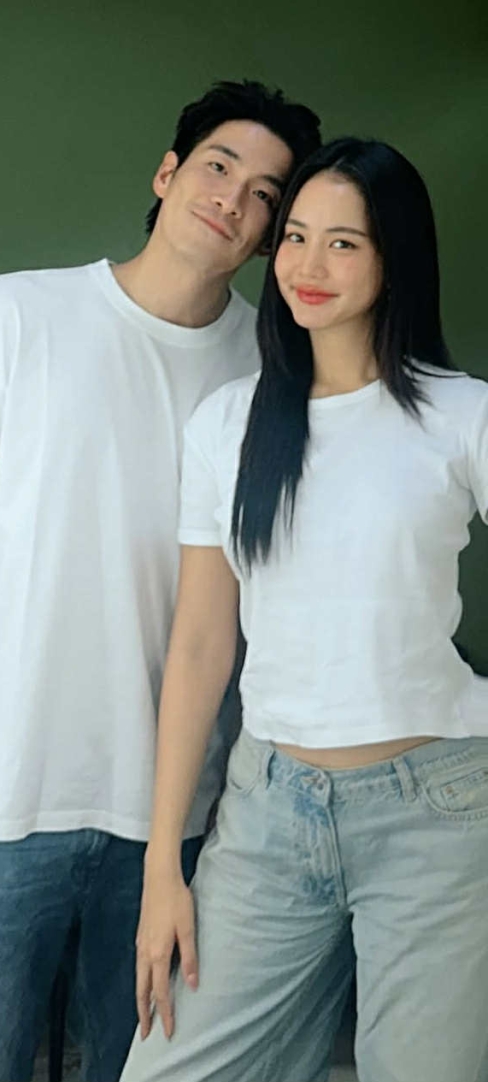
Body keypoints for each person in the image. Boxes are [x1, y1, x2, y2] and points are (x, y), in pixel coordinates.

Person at [0, 80, 321, 1082]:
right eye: (217, 167)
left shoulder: (273, 375)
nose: (232, 198)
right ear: (166, 174)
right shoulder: (14, 315)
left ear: (267, 237)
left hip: (175, 825)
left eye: (263, 194)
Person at [122, 137, 488, 1082]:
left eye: (344, 243)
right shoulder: (229, 425)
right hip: (268, 815)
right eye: (294, 237)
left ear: (395, 259)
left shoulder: (462, 417)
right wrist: (165, 868)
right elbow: (201, 646)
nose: (307, 265)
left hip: (437, 811)